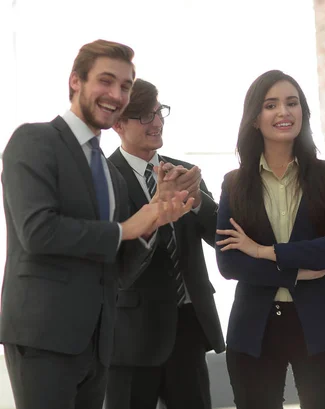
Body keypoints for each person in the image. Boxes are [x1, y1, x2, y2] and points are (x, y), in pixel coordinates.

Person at [0, 40, 192, 409]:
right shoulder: (34, 140)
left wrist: (154, 220)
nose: (116, 94)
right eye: (106, 81)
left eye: (125, 85)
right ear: (76, 81)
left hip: (100, 341)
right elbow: (38, 232)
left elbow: (117, 269)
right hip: (44, 336)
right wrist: (129, 228)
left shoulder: (108, 171)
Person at [215, 69, 325, 409]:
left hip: (322, 327)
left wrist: (264, 251)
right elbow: (229, 262)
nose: (284, 112)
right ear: (254, 118)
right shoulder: (234, 184)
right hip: (254, 331)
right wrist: (296, 271)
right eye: (271, 105)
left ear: (303, 112)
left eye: (292, 103)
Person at [104, 78, 225, 409]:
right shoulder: (104, 177)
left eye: (159, 112)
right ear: (117, 124)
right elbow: (111, 259)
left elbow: (221, 236)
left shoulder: (182, 171)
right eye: (144, 115)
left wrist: (197, 200)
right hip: (130, 333)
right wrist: (155, 214)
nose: (156, 122)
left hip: (187, 326)